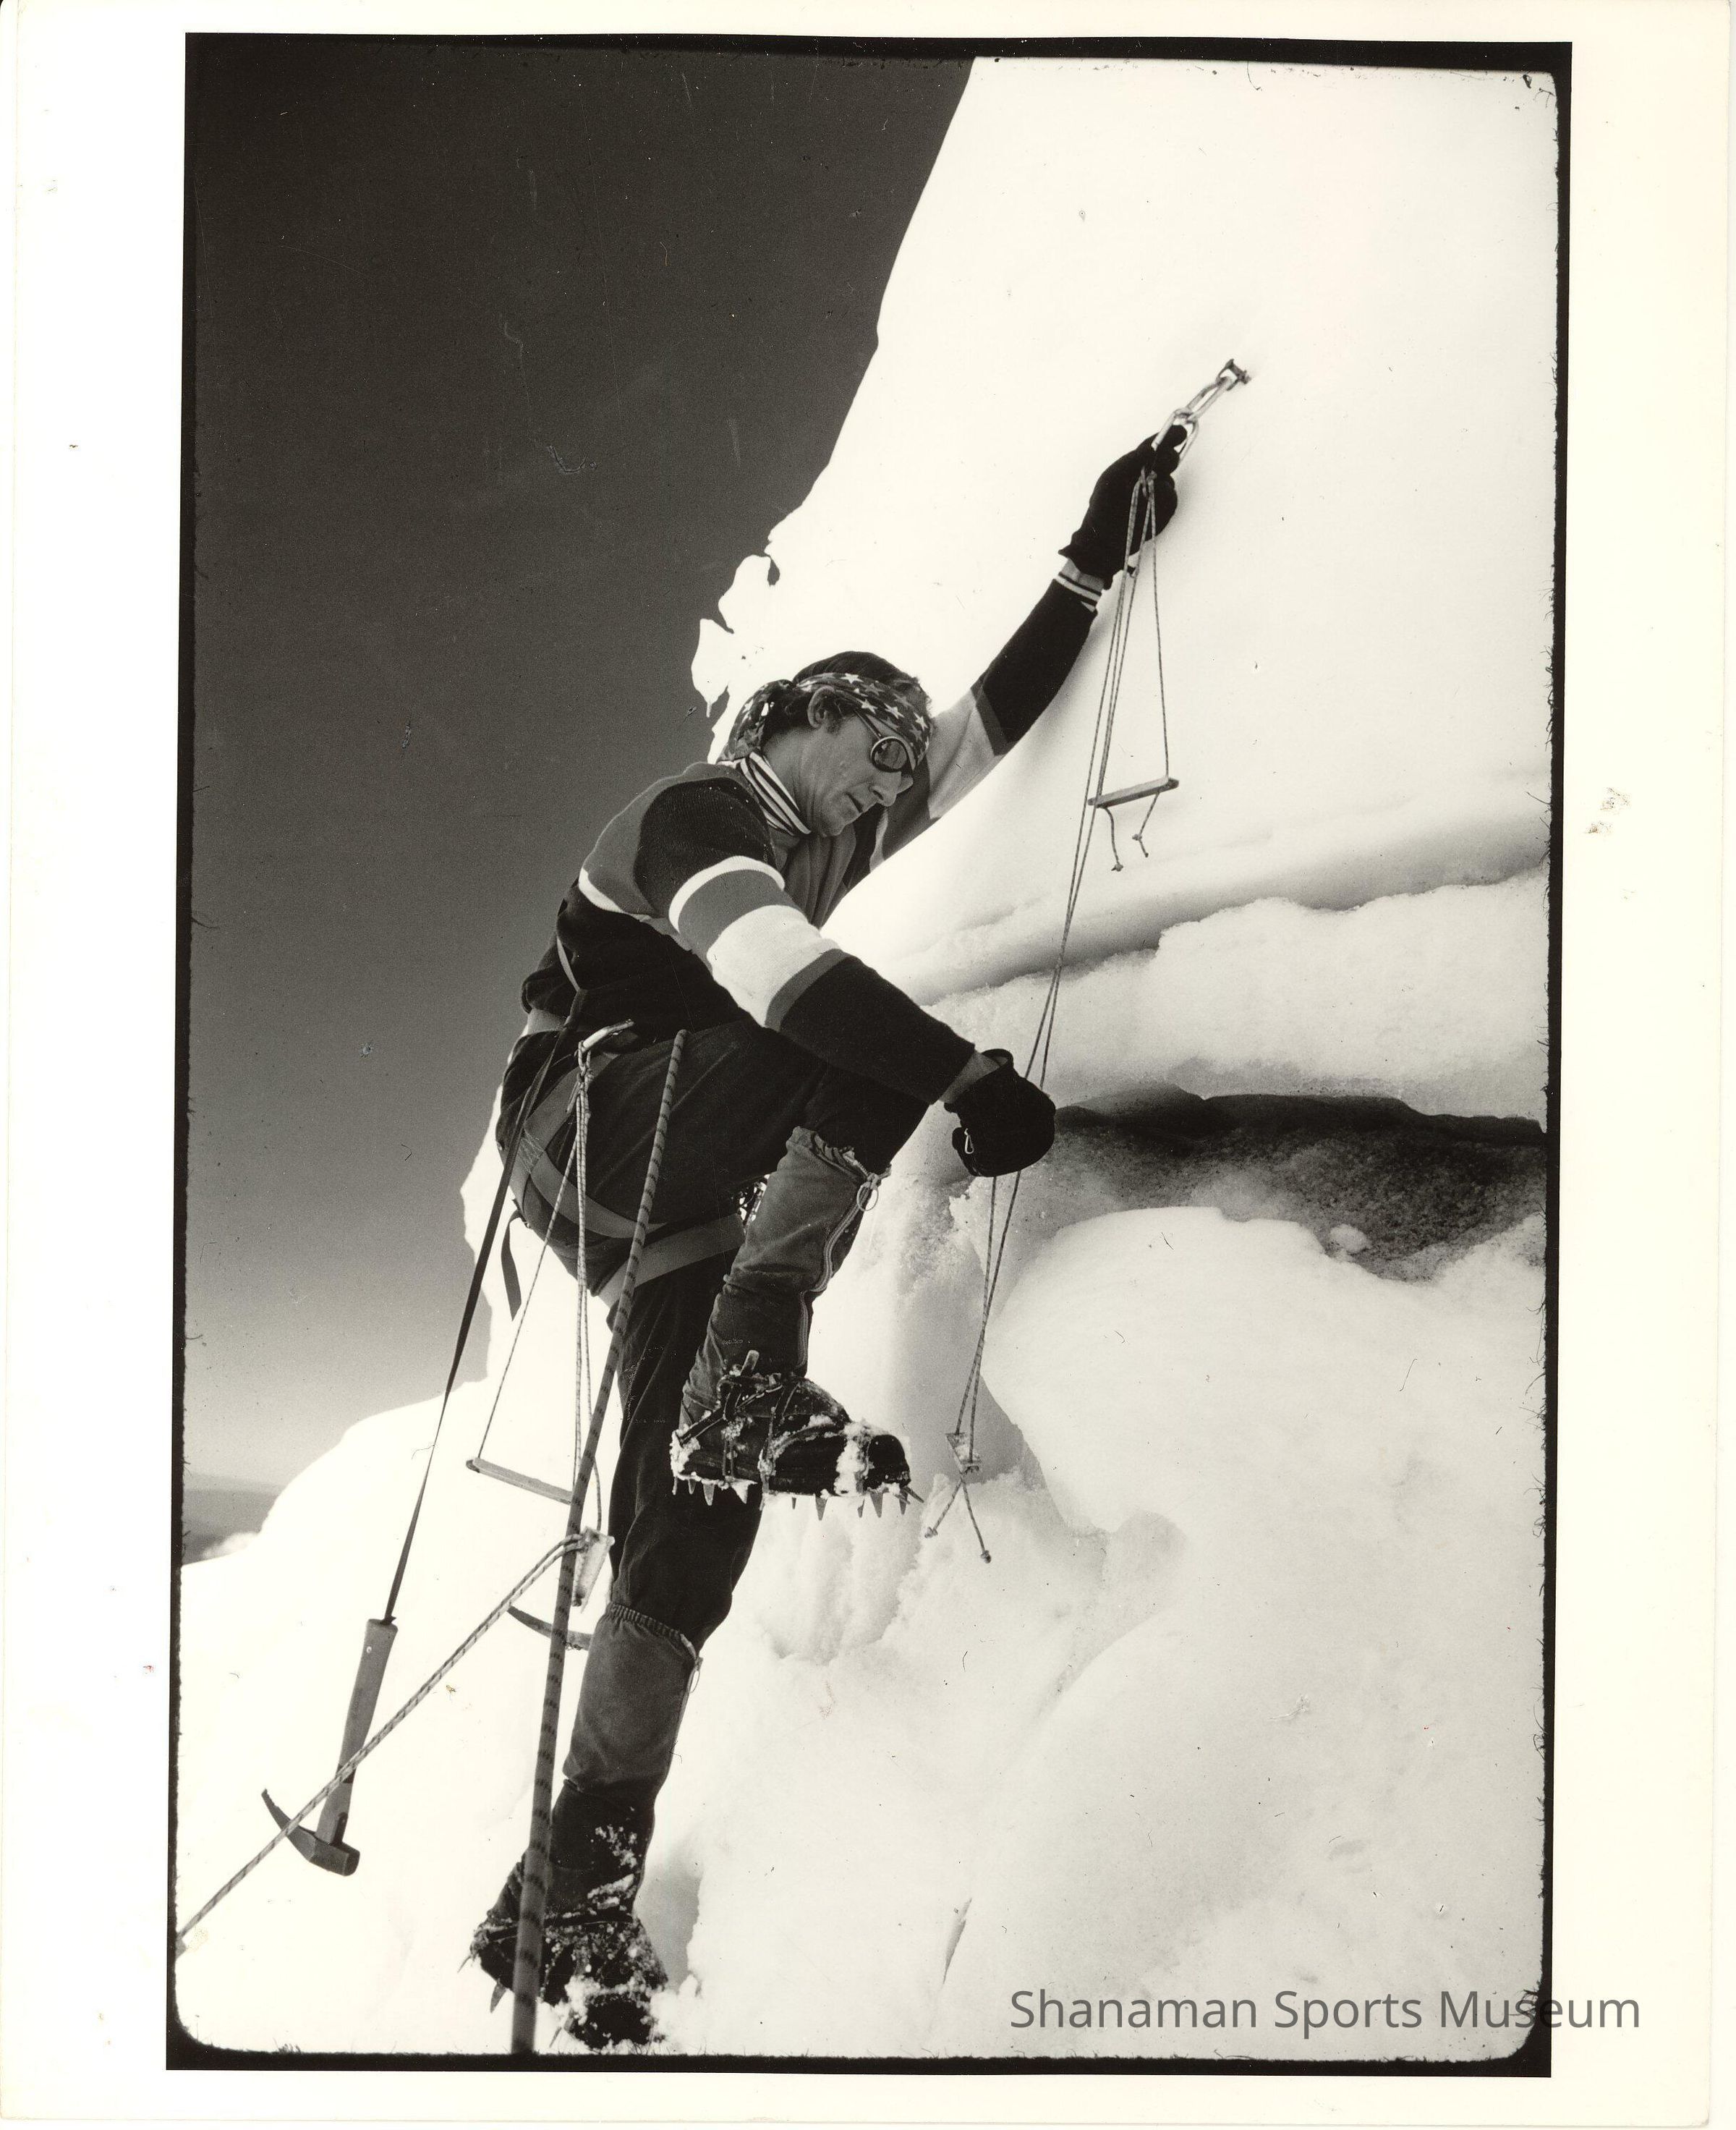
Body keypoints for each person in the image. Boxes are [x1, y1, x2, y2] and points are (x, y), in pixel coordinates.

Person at [472, 426, 1185, 2042]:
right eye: (870, 744)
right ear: (790, 715)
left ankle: (571, 1894)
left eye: (893, 763)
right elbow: (784, 981)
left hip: (662, 1212)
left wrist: (1092, 560)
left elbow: (985, 728)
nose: (888, 778)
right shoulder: (694, 814)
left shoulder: (831, 818)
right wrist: (965, 1077)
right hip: (596, 1123)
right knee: (844, 1032)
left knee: (687, 1540)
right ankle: (744, 1378)